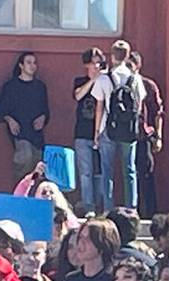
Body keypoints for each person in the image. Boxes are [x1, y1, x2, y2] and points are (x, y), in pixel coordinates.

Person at [92, 40, 145, 210]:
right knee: (129, 170)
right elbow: (139, 104)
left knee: (107, 171)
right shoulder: (135, 78)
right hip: (128, 130)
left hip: (109, 128)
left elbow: (99, 107)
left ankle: (108, 208)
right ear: (128, 56)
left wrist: (96, 133)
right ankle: (132, 208)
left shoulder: (104, 78)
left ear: (112, 55)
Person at [0, 52, 49, 181]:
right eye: (29, 62)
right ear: (21, 65)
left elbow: (46, 110)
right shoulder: (11, 86)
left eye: (34, 63)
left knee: (37, 164)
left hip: (36, 134)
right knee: (25, 157)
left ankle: (34, 196)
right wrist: (9, 120)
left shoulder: (40, 87)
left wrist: (43, 118)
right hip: (19, 131)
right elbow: (0, 111)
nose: (32, 66)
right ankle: (21, 192)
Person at [72, 47, 110, 214]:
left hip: (102, 132)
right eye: (92, 63)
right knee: (85, 171)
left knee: (100, 172)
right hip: (82, 132)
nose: (95, 66)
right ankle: (89, 206)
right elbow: (78, 96)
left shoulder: (106, 81)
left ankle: (101, 205)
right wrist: (92, 80)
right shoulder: (80, 80)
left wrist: (101, 79)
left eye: (98, 63)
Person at [128, 52, 163, 220]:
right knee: (129, 174)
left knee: (146, 174)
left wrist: (158, 136)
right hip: (125, 137)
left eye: (131, 65)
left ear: (137, 66)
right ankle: (133, 210)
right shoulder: (121, 84)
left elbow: (158, 113)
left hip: (144, 136)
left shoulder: (148, 86)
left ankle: (150, 212)